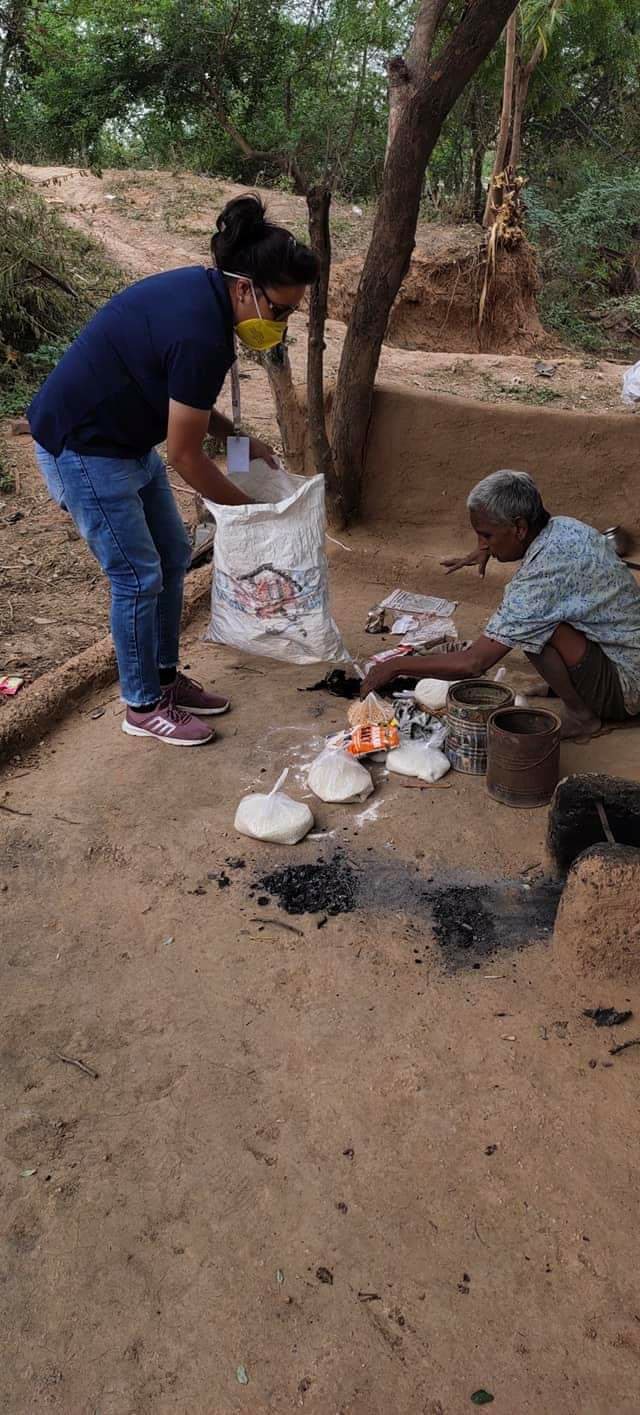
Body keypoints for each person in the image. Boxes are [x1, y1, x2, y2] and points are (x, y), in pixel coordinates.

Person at [28, 195, 318, 746]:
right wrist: (252, 514)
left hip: (126, 440)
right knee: (138, 576)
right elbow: (185, 457)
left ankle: (163, 679)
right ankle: (140, 705)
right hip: (84, 449)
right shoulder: (201, 334)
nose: (280, 322)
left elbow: (186, 405)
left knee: (173, 555)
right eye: (278, 310)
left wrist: (239, 441)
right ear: (244, 288)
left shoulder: (205, 301)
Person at [362, 470, 640, 739]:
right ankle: (569, 687)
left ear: (519, 527)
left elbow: (473, 663)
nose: (482, 543)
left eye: (487, 535)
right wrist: (487, 547)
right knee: (533, 621)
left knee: (531, 628)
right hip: (626, 653)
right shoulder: (565, 527)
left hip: (627, 687)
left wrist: (396, 666)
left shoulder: (538, 579)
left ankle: (583, 717)